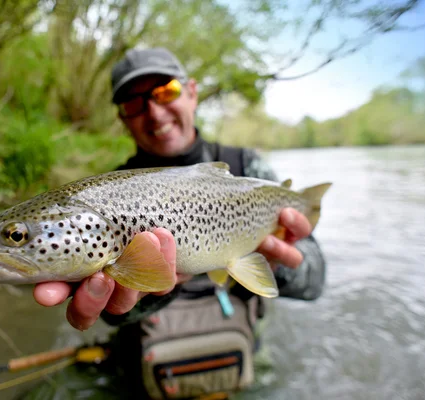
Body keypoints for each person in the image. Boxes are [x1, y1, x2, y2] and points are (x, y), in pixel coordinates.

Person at [33, 47, 326, 398]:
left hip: (242, 365)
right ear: (123, 118)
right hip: (148, 367)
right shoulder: (107, 191)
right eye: (133, 103)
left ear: (192, 92)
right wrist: (146, 292)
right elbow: (113, 315)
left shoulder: (249, 171)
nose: (154, 113)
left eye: (166, 91)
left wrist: (278, 260)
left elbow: (316, 283)